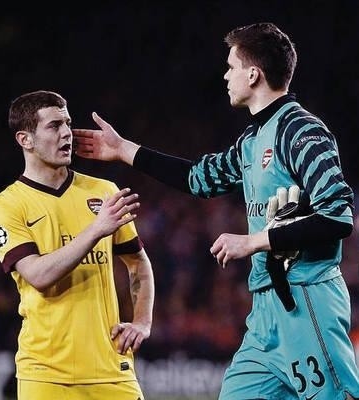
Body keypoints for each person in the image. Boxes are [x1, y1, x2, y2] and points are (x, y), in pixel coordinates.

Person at [73, 22, 359, 399]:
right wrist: (124, 150)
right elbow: (198, 179)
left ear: (253, 73)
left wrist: (255, 241)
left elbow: (338, 216)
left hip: (307, 302)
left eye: (231, 66)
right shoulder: (252, 139)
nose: (225, 75)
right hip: (265, 316)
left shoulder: (301, 131)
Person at [0, 90, 155, 400]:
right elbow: (37, 275)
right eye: (53, 126)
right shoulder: (6, 206)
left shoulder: (103, 191)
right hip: (45, 374)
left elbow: (138, 263)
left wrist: (143, 322)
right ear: (25, 139)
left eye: (68, 122)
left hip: (111, 368)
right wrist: (95, 230)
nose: (67, 133)